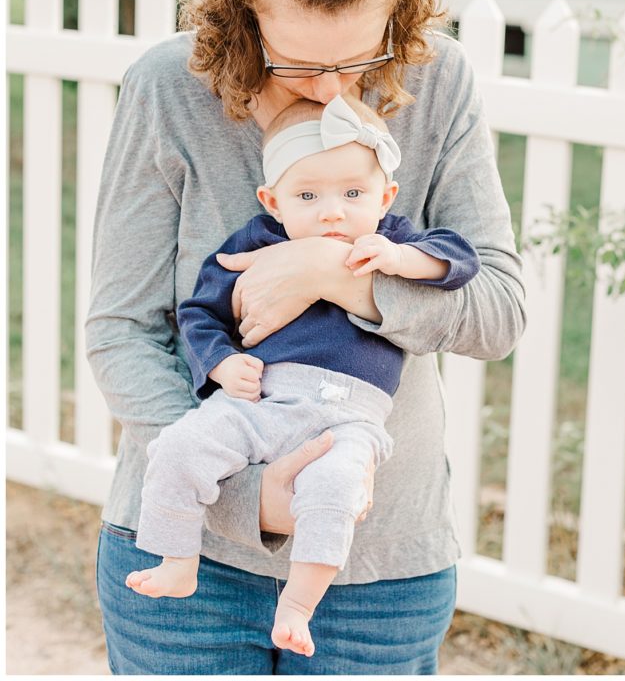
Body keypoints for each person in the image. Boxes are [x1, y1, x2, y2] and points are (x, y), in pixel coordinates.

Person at [86, 0, 525, 676]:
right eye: (300, 63)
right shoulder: (169, 90)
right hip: (192, 567)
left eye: (358, 59)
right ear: (242, 9)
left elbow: (498, 310)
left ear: (399, 13)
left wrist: (331, 274)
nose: (332, 92)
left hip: (380, 573)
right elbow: (121, 331)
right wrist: (251, 499)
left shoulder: (440, 84)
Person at [125, 93, 481, 659]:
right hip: (263, 400)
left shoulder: (392, 239)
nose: (333, 211)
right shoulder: (256, 243)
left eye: (354, 194)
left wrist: (399, 260)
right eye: (308, 196)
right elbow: (200, 311)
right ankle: (177, 560)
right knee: (180, 445)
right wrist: (219, 362)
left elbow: (460, 258)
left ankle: (299, 603)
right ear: (273, 200)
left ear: (384, 196)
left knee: (336, 489)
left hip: (351, 416)